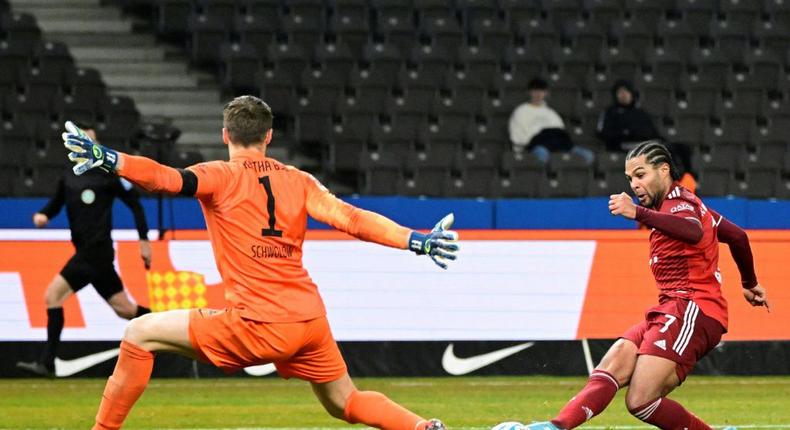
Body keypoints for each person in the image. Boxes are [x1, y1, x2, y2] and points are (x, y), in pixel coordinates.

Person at [61, 95, 459, 430]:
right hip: (308, 320)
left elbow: (165, 178)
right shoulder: (299, 180)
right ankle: (421, 427)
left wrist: (110, 159)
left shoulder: (220, 175)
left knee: (138, 333)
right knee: (344, 402)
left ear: (225, 136)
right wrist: (415, 240)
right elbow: (352, 219)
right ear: (269, 136)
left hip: (257, 323)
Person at [523, 140, 770, 430]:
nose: (635, 185)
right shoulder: (689, 207)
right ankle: (555, 427)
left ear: (664, 170)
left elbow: (691, 231)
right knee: (614, 362)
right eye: (630, 178)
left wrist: (638, 213)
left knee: (641, 400)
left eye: (641, 175)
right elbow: (738, 236)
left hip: (693, 308)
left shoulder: (680, 202)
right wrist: (750, 283)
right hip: (671, 308)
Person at [16, 120, 152, 378]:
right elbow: (55, 205)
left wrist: (143, 241)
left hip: (95, 252)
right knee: (126, 310)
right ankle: (168, 332)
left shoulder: (109, 174)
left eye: (91, 142)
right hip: (92, 256)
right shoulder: (69, 174)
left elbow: (135, 204)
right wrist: (43, 216)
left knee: (52, 296)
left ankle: (47, 363)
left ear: (97, 144)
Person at [597, 79, 696, 193]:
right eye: (620, 93)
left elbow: (652, 131)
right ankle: (667, 186)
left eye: (626, 92)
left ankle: (688, 178)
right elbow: (602, 133)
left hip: (647, 142)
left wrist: (662, 140)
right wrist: (624, 133)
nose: (623, 96)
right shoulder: (610, 112)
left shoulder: (639, 112)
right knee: (659, 152)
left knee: (680, 148)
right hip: (624, 144)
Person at [508, 77, 595, 164]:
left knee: (588, 155)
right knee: (542, 154)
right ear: (529, 92)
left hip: (556, 144)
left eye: (541, 91)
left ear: (545, 93)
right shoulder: (521, 111)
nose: (538, 94)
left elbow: (560, 131)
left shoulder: (551, 113)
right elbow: (517, 136)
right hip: (536, 145)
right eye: (535, 91)